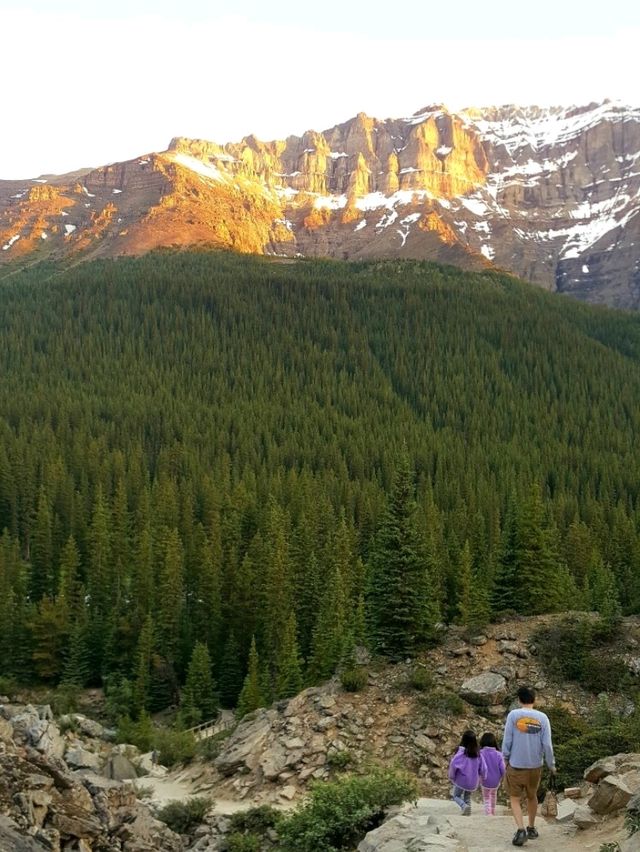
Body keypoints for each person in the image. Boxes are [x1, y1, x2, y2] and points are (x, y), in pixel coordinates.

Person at [502, 686, 556, 847]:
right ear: (534, 699)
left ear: (519, 700)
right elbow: (547, 744)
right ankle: (531, 827)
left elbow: (508, 740)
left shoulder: (513, 715)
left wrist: (504, 758)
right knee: (532, 796)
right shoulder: (543, 718)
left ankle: (520, 830)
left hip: (516, 765)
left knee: (515, 798)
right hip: (535, 766)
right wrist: (551, 764)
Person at [448, 729, 485, 816]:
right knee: (467, 796)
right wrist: (482, 776)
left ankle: (463, 806)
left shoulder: (461, 753)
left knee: (456, 796)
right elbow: (483, 768)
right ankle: (467, 812)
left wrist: (452, 776)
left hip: (461, 780)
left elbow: (453, 765)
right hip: (472, 781)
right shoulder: (478, 754)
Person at [479, 732, 506, 815]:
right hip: (495, 780)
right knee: (494, 795)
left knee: (486, 797)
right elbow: (503, 768)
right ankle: (493, 811)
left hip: (484, 779)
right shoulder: (499, 754)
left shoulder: (480, 753)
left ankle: (488, 813)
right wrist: (502, 776)